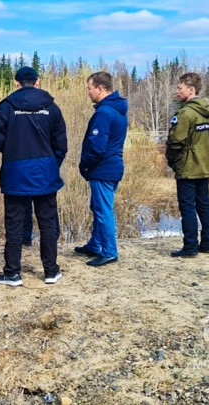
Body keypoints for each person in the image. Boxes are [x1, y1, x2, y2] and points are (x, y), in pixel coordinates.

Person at [0, 67, 67, 286]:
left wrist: (13, 148)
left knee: (14, 224)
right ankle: (51, 271)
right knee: (48, 223)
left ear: (16, 83)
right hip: (44, 174)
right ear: (38, 82)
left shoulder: (7, 107)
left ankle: (12, 273)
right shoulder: (52, 108)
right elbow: (61, 145)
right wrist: (51, 164)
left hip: (15, 173)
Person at [75, 72, 128, 266]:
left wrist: (85, 165)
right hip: (111, 167)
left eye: (89, 88)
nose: (88, 92)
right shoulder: (116, 110)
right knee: (98, 207)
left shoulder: (104, 113)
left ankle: (109, 251)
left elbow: (97, 146)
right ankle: (95, 244)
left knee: (103, 209)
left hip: (103, 168)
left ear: (100, 88)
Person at [166, 72, 209, 257]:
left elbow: (175, 141)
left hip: (188, 167)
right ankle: (208, 243)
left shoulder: (186, 113)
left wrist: (172, 160)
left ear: (191, 89)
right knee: (204, 204)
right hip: (204, 164)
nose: (177, 91)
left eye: (180, 88)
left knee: (187, 206)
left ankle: (190, 247)